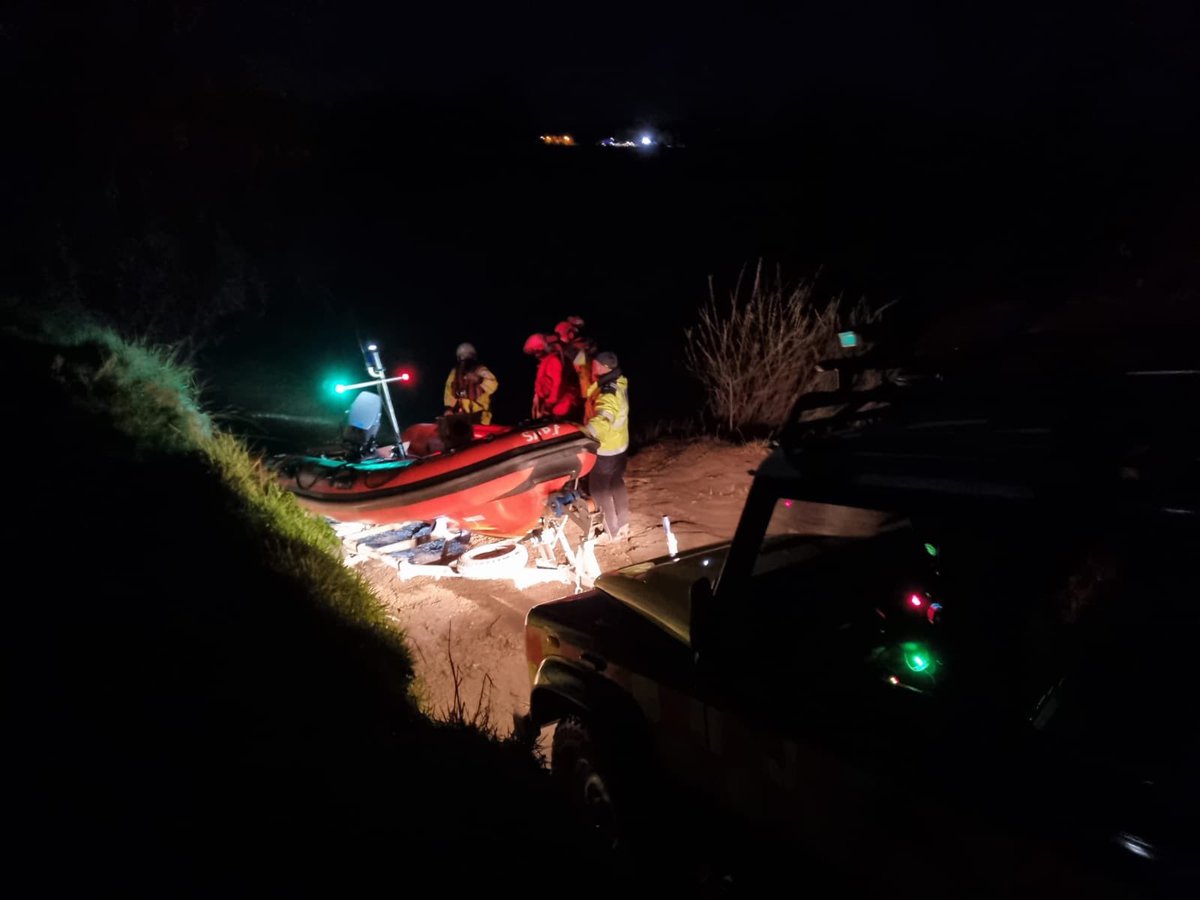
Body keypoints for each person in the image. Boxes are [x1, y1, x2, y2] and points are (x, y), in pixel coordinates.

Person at [584, 351, 630, 541]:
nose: (592, 367)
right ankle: (624, 523)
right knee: (616, 483)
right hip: (620, 445)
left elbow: (604, 418)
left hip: (606, 448)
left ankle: (611, 531)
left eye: (595, 364)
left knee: (599, 490)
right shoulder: (620, 381)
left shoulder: (607, 391)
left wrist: (584, 434)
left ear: (604, 367)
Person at [524, 332, 581, 420]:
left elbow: (558, 383)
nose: (535, 355)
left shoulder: (552, 360)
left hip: (559, 405)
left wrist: (550, 402)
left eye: (535, 351)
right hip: (551, 404)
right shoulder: (546, 361)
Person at [443, 342, 498, 424]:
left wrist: (478, 379)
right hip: (463, 416)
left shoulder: (480, 370)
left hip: (481, 417)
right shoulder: (455, 373)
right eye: (464, 357)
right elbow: (449, 391)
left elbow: (494, 385)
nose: (465, 360)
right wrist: (449, 409)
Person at [554, 316, 596, 420]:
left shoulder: (579, 351)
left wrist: (584, 397)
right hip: (587, 393)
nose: (560, 339)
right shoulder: (583, 348)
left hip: (588, 394)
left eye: (560, 335)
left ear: (571, 334)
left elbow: (583, 374)